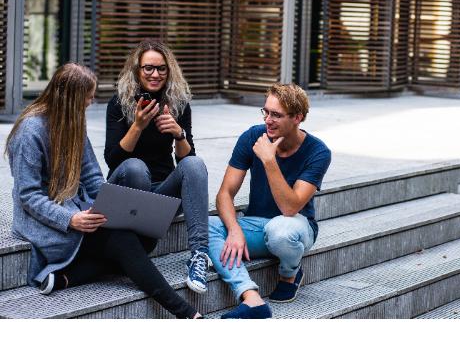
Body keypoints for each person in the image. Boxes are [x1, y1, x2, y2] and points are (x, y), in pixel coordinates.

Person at [6, 63, 202, 319]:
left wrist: (112, 205)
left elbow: (92, 177)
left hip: (80, 211)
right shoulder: (30, 131)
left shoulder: (73, 122)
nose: (90, 102)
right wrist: (71, 219)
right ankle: (185, 312)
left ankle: (68, 277)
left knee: (145, 238)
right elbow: (28, 195)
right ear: (69, 98)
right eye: (87, 98)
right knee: (125, 242)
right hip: (47, 222)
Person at [208, 83, 331, 319]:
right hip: (255, 225)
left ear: (297, 118)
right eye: (266, 112)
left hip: (295, 227)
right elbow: (225, 193)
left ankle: (290, 273)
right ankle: (250, 297)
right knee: (206, 226)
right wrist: (234, 230)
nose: (268, 120)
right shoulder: (252, 136)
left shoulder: (318, 152)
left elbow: (290, 207)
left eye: (276, 115)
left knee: (280, 230)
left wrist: (269, 160)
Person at [104, 40, 211, 294]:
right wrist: (138, 125)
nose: (155, 74)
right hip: (127, 189)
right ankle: (135, 247)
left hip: (162, 194)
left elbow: (187, 162)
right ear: (137, 70)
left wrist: (179, 134)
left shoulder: (178, 103)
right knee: (136, 167)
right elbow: (113, 160)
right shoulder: (119, 103)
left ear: (169, 70)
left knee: (195, 164)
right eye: (148, 68)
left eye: (161, 69)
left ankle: (199, 256)